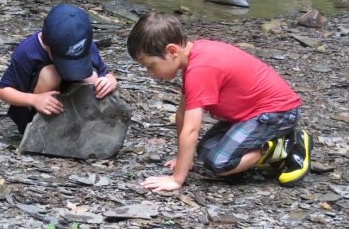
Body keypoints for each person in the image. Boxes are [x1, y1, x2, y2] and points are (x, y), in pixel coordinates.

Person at [127, 12, 313, 192]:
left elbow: (192, 130)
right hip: (250, 114)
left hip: (278, 112)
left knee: (219, 163)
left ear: (172, 51)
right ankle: (269, 146)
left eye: (150, 66)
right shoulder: (193, 60)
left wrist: (177, 178)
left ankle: (286, 144)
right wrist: (183, 158)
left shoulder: (201, 69)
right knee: (205, 150)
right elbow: (182, 114)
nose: (150, 73)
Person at [0, 3, 117, 134]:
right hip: (39, 104)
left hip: (73, 107)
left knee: (93, 78)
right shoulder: (27, 51)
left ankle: (82, 128)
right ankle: (42, 130)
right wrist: (34, 100)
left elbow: (106, 74)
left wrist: (109, 82)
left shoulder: (83, 44)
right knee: (50, 75)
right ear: (47, 44)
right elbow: (3, 91)